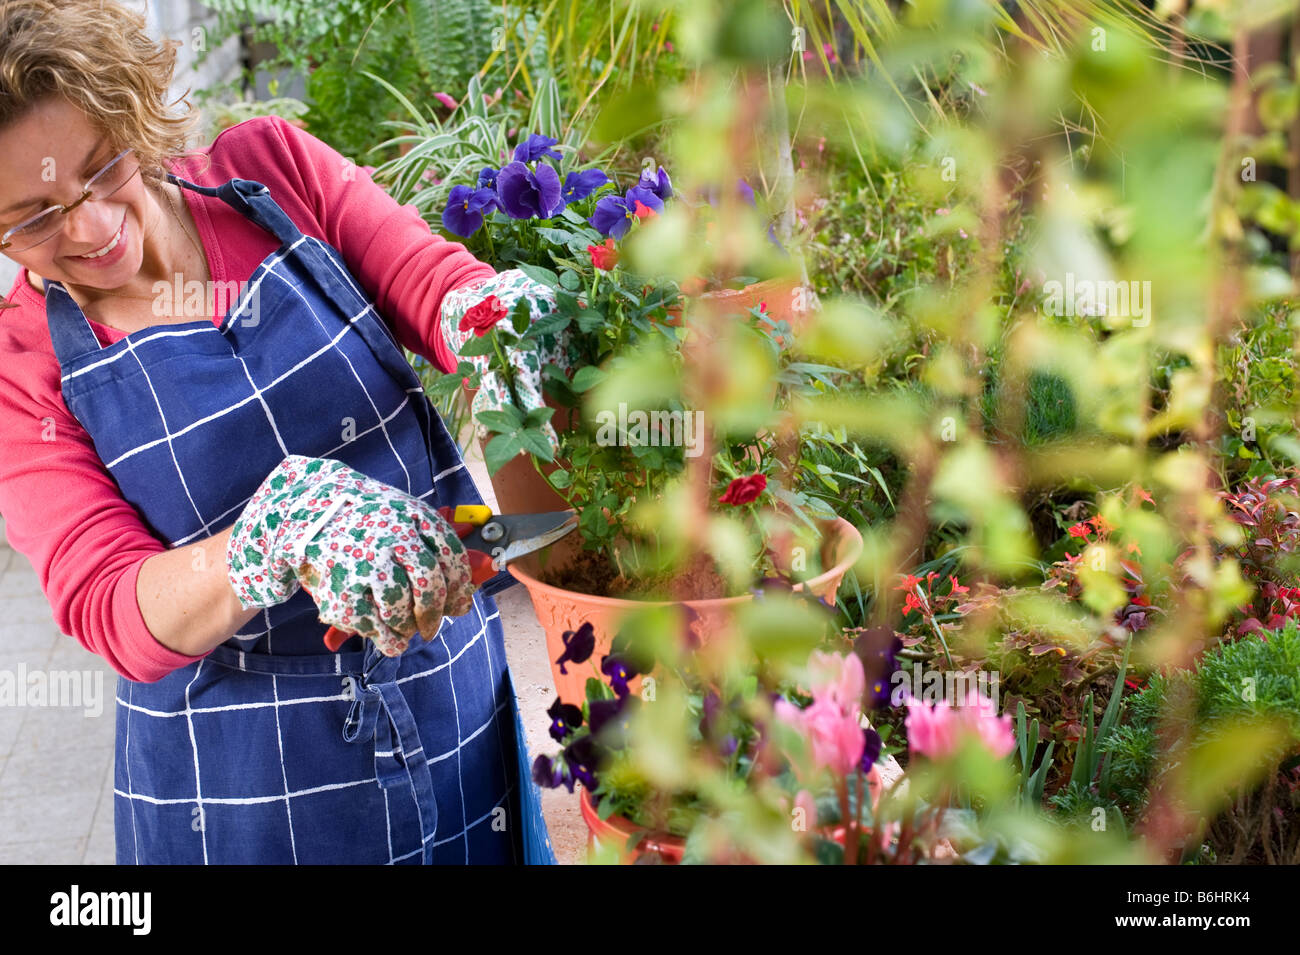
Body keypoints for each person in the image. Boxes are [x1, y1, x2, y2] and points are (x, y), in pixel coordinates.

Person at [0, 0, 557, 864]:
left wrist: (489, 318)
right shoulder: (19, 365)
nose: (92, 226)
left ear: (132, 117)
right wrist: (269, 537)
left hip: (444, 687)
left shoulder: (269, 169)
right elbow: (107, 601)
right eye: (33, 217)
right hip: (244, 783)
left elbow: (425, 277)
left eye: (104, 167)